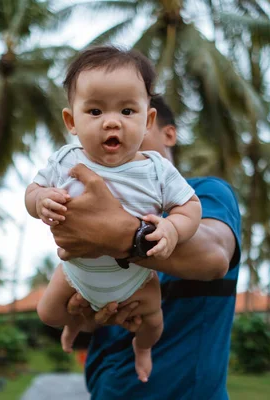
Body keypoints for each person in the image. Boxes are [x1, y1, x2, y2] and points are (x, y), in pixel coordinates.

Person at [25, 46, 202, 383]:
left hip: (136, 278)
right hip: (75, 271)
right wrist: (40, 200)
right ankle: (76, 322)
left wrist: (174, 229)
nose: (111, 121)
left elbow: (190, 207)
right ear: (71, 121)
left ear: (147, 119)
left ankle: (142, 350)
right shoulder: (65, 160)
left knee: (153, 325)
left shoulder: (157, 171)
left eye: (126, 110)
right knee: (48, 313)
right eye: (94, 111)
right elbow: (31, 192)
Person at [50, 95, 242, 399]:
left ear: (165, 130)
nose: (118, 128)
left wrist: (121, 236)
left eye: (130, 114)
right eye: (97, 114)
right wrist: (83, 316)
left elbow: (214, 256)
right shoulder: (94, 201)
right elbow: (84, 313)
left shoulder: (205, 193)